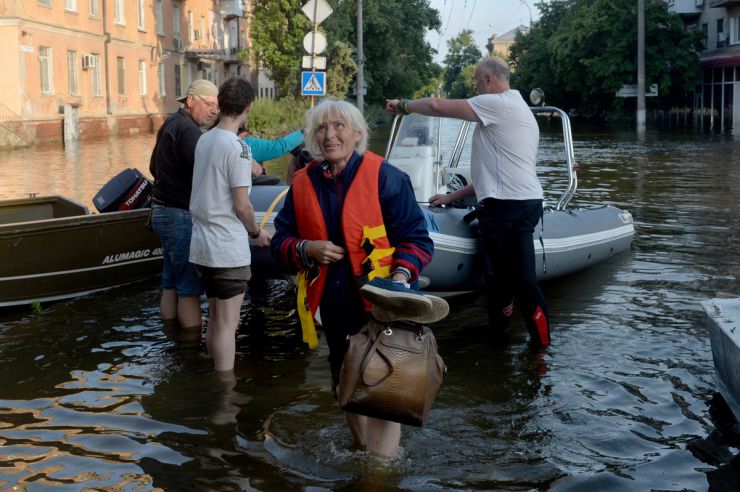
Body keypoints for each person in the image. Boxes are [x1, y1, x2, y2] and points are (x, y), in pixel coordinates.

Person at [270, 99, 434, 457]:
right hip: (333, 305)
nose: (330, 136)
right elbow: (280, 243)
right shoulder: (302, 184)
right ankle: (362, 452)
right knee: (345, 385)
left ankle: (381, 469)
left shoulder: (387, 178)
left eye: (339, 127)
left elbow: (418, 240)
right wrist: (307, 248)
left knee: (382, 389)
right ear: (313, 138)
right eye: (322, 129)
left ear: (357, 134)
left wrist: (402, 274)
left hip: (382, 304)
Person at [385, 56, 550, 348]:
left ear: (488, 79)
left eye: (476, 81)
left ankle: (536, 351)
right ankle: (509, 345)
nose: (475, 87)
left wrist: (403, 106)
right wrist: (451, 197)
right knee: (504, 282)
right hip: (520, 202)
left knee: (520, 282)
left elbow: (437, 106)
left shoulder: (497, 103)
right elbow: (495, 175)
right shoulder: (518, 108)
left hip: (507, 207)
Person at [189, 76, 271, 372]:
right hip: (227, 248)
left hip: (202, 246)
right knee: (228, 324)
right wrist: (256, 233)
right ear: (248, 106)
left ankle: (213, 378)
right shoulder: (239, 149)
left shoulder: (204, 140)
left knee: (215, 319)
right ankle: (225, 393)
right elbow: (242, 205)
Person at [149, 79, 219, 340]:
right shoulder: (189, 131)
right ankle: (190, 349)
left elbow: (153, 168)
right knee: (189, 288)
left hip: (161, 212)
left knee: (170, 283)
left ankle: (170, 338)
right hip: (180, 215)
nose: (214, 111)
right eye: (210, 104)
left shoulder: (170, 124)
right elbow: (204, 174)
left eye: (217, 106)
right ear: (191, 101)